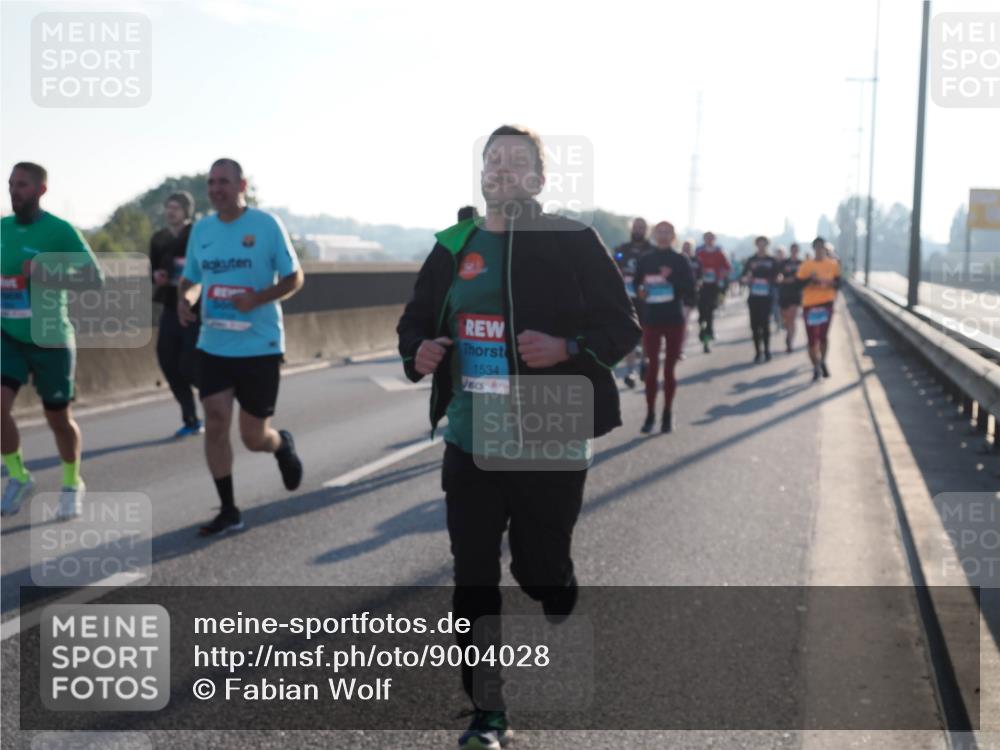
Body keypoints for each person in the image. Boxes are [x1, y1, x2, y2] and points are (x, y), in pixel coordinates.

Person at [397, 125, 640, 749]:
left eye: (518, 161)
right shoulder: (455, 244)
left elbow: (622, 326)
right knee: (473, 575)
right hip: (473, 436)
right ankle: (488, 712)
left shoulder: (573, 241)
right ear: (482, 175)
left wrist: (567, 347)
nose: (503, 168)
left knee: (538, 570)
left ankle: (556, 578)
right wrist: (419, 351)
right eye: (493, 159)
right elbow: (415, 321)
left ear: (538, 179)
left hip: (552, 431)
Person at [178, 158, 305, 536]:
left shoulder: (266, 225)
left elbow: (295, 277)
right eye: (210, 182)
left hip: (260, 345)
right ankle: (229, 510)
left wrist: (258, 298)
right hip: (214, 344)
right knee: (215, 422)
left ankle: (280, 444)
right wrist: (186, 298)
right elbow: (192, 279)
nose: (216, 189)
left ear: (241, 185)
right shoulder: (201, 229)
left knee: (253, 436)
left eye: (223, 182)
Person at [1, 162, 103, 519]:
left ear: (41, 190)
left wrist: (47, 273)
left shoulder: (60, 232)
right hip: (8, 335)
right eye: (11, 184)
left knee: (58, 419)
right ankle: (18, 476)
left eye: (23, 185)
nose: (14, 191)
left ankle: (72, 482)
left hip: (50, 338)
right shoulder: (1, 228)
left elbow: (94, 280)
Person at [634, 222, 695, 433]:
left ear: (673, 236)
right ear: (654, 234)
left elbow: (690, 288)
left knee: (669, 370)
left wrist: (670, 278)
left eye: (667, 232)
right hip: (651, 319)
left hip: (673, 320)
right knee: (652, 369)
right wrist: (641, 291)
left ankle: (667, 413)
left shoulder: (680, 260)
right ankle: (650, 413)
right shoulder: (646, 259)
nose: (663, 235)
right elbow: (636, 286)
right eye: (659, 231)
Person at [151, 191, 202, 437]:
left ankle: (216, 398)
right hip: (170, 308)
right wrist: (157, 277)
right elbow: (154, 270)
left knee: (189, 364)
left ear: (186, 212)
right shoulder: (158, 239)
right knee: (167, 360)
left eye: (176, 208)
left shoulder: (198, 234)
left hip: (196, 311)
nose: (171, 212)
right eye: (168, 207)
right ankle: (190, 418)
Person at [613, 218, 653, 388]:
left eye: (642, 227)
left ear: (646, 230)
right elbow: (612, 269)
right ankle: (630, 370)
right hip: (626, 299)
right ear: (631, 228)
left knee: (645, 334)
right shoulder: (622, 249)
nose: (638, 230)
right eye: (636, 227)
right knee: (628, 333)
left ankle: (644, 362)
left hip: (647, 299)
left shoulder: (652, 250)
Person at [796, 237, 842, 381]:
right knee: (811, 339)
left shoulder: (833, 265)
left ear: (825, 249)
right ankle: (815, 366)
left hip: (826, 304)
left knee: (823, 336)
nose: (820, 250)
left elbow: (839, 284)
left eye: (822, 247)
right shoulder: (806, 265)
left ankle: (822, 361)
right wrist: (811, 279)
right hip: (810, 305)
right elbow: (798, 285)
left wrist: (829, 283)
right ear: (813, 248)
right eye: (817, 247)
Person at [742, 236, 780, 363]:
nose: (762, 246)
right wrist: (747, 279)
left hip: (767, 297)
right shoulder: (751, 260)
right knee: (754, 326)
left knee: (765, 324)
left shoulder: (772, 260)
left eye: (764, 244)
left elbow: (778, 275)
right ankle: (758, 352)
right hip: (754, 297)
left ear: (767, 245)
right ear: (756, 245)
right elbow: (742, 276)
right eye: (759, 244)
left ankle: (767, 350)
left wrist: (778, 278)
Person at [694, 231, 731, 353]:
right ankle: (702, 328)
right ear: (704, 239)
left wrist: (720, 276)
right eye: (707, 238)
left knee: (709, 312)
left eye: (711, 238)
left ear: (714, 239)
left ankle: (707, 336)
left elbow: (727, 268)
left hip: (713, 287)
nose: (709, 240)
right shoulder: (699, 252)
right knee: (701, 312)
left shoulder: (719, 253)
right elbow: (692, 266)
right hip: (701, 287)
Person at [778, 243, 803, 352]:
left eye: (796, 249)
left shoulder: (801, 263)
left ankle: (790, 340)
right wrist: (782, 279)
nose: (794, 251)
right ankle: (788, 330)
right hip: (784, 293)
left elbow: (804, 278)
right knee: (786, 318)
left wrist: (795, 280)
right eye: (792, 249)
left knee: (792, 317)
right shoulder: (784, 263)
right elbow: (778, 275)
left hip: (795, 293)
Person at [680, 239, 699, 356]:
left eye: (688, 247)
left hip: (689, 296)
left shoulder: (697, 261)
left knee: (684, 323)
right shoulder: (677, 259)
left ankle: (681, 348)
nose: (686, 249)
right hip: (677, 296)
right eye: (684, 246)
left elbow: (701, 276)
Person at [770, 246, 785, 330]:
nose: (779, 255)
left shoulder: (786, 262)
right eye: (778, 253)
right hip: (775, 287)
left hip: (785, 288)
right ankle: (777, 320)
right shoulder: (772, 263)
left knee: (783, 306)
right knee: (775, 305)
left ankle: (782, 320)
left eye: (781, 253)